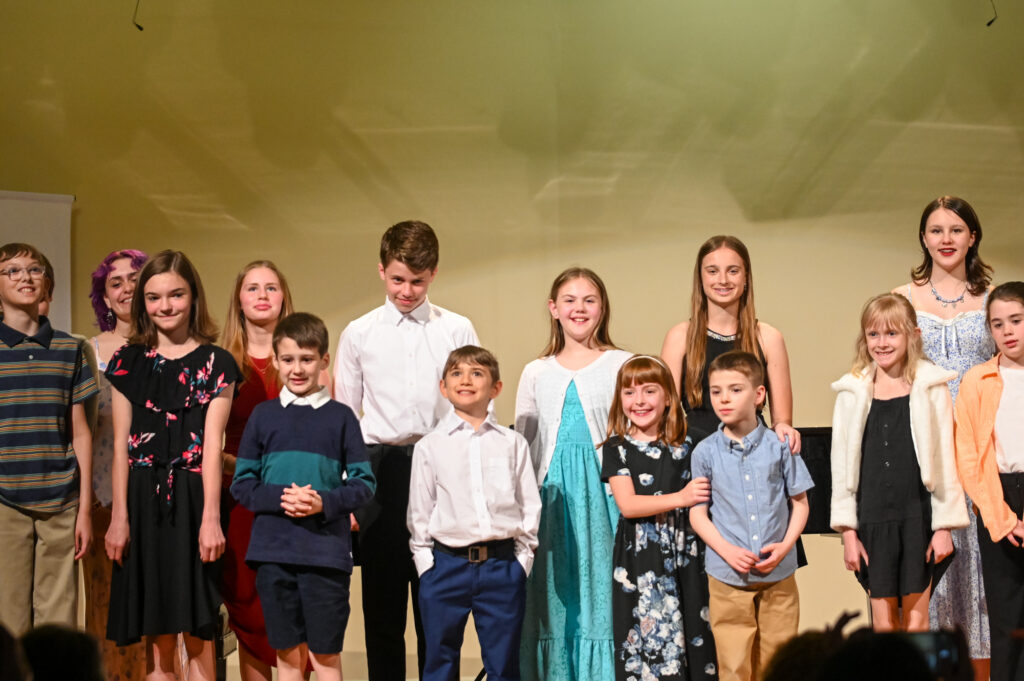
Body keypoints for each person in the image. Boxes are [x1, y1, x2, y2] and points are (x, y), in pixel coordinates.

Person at [333, 220, 479, 681]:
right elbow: (344, 418)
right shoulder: (359, 332)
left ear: (433, 273)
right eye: (397, 279)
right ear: (381, 270)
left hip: (440, 467)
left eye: (417, 281)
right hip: (378, 470)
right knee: (383, 607)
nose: (406, 291)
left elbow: (475, 407)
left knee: (438, 604)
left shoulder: (456, 328)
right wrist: (347, 493)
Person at [104, 250, 240, 681]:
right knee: (158, 635)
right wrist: (119, 518)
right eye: (153, 297)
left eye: (176, 295)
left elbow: (212, 448)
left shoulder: (218, 363)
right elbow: (124, 446)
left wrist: (211, 519)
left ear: (193, 296)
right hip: (142, 500)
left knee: (199, 628)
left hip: (194, 497)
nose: (165, 306)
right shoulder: (126, 362)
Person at [232, 312, 375, 681]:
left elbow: (363, 484)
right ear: (276, 361)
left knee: (325, 655)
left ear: (324, 361)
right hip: (273, 554)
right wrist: (282, 498)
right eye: (288, 359)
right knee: (287, 656)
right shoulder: (262, 417)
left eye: (307, 359)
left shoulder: (342, 418)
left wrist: (322, 503)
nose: (297, 369)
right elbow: (242, 483)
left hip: (325, 556)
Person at [515, 266, 631, 681]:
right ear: (554, 308)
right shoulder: (536, 371)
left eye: (589, 300)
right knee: (554, 593)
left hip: (603, 495)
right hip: (553, 497)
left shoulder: (622, 363)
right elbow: (524, 444)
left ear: (602, 308)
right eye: (569, 300)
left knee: (601, 589)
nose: (579, 309)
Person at [894, 196, 994, 675]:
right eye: (936, 230)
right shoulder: (902, 298)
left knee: (983, 575)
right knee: (931, 573)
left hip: (982, 447)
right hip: (926, 449)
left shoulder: (994, 300)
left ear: (972, 236)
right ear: (923, 238)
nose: (946, 239)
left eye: (956, 230)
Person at [829, 293, 968, 631]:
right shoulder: (852, 392)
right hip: (872, 519)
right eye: (873, 334)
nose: (882, 342)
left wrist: (944, 527)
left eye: (892, 333)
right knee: (884, 623)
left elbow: (945, 459)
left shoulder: (930, 387)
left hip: (917, 516)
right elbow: (841, 466)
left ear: (912, 335)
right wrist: (849, 533)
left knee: (917, 621)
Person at [407, 345, 541, 681]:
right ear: (443, 387)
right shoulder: (430, 446)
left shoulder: (513, 443)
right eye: (457, 373)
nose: (465, 380)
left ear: (496, 388)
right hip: (445, 567)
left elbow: (528, 504)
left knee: (503, 665)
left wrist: (522, 562)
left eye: (477, 373)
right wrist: (426, 566)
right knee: (439, 663)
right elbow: (420, 511)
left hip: (501, 567)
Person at [689, 351, 813, 681]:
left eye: (735, 389)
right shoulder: (705, 452)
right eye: (716, 391)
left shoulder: (780, 445)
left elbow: (800, 504)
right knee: (733, 666)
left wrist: (785, 546)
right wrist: (727, 551)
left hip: (778, 576)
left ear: (759, 395)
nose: (724, 399)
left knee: (779, 664)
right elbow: (698, 515)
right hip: (728, 576)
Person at [0, 242, 97, 634]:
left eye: (35, 269)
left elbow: (81, 432)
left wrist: (84, 509)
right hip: (5, 501)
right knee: (8, 620)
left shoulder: (69, 349)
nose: (25, 277)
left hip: (62, 501)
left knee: (59, 623)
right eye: (13, 270)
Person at [601, 354, 718, 680]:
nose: (638, 400)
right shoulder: (617, 447)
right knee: (646, 638)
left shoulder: (694, 441)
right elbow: (628, 505)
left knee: (698, 631)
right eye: (629, 392)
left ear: (668, 397)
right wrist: (682, 497)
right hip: (641, 558)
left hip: (688, 553)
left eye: (649, 391)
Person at [220, 260, 297, 681]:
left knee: (292, 607)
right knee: (249, 609)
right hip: (240, 501)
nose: (262, 295)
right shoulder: (221, 362)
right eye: (253, 288)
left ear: (284, 297)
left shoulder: (304, 359)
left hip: (294, 500)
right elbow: (210, 443)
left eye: (271, 287)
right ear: (239, 299)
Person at [660, 236, 800, 452]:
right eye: (713, 271)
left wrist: (784, 430)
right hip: (695, 453)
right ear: (700, 278)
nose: (723, 280)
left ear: (746, 278)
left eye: (733, 271)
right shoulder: (679, 336)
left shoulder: (768, 337)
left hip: (752, 453)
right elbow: (666, 414)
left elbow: (782, 421)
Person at [82, 249, 150, 679]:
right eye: (116, 282)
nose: (127, 288)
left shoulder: (169, 347)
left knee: (159, 614)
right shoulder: (87, 353)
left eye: (135, 278)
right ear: (105, 298)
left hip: (160, 498)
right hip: (102, 501)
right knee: (106, 611)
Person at [955, 281, 1024, 681]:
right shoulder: (977, 380)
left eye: (1016, 320)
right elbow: (969, 458)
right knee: (1007, 616)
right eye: (998, 324)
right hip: (999, 498)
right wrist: (1002, 518)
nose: (1007, 331)